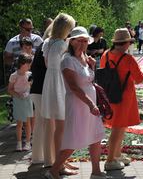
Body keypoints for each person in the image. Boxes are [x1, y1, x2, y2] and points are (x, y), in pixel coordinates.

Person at [46, 26, 105, 179]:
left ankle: (96, 171)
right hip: (78, 103)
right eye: (79, 40)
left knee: (95, 137)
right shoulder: (67, 60)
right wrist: (90, 104)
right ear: (71, 42)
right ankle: (53, 170)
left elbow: (89, 80)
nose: (82, 43)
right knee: (73, 139)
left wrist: (92, 66)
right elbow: (73, 86)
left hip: (90, 104)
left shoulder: (85, 58)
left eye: (85, 41)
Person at [99, 28, 143, 171]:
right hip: (124, 98)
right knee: (118, 129)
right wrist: (142, 68)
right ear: (125, 43)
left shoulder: (106, 55)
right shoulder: (128, 59)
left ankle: (117, 154)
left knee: (120, 126)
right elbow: (139, 78)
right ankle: (110, 160)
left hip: (110, 96)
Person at [41, 13, 76, 171]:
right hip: (59, 82)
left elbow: (47, 63)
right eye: (70, 28)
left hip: (51, 81)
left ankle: (60, 160)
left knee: (58, 126)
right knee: (61, 127)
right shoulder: (62, 44)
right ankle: (59, 164)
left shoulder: (47, 42)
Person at [7, 53, 33, 151]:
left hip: (27, 100)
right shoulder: (14, 76)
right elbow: (9, 89)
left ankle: (27, 143)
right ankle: (18, 144)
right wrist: (18, 95)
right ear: (22, 64)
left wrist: (27, 92)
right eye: (28, 64)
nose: (29, 66)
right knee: (19, 123)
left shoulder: (29, 74)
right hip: (18, 101)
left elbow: (31, 86)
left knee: (28, 123)